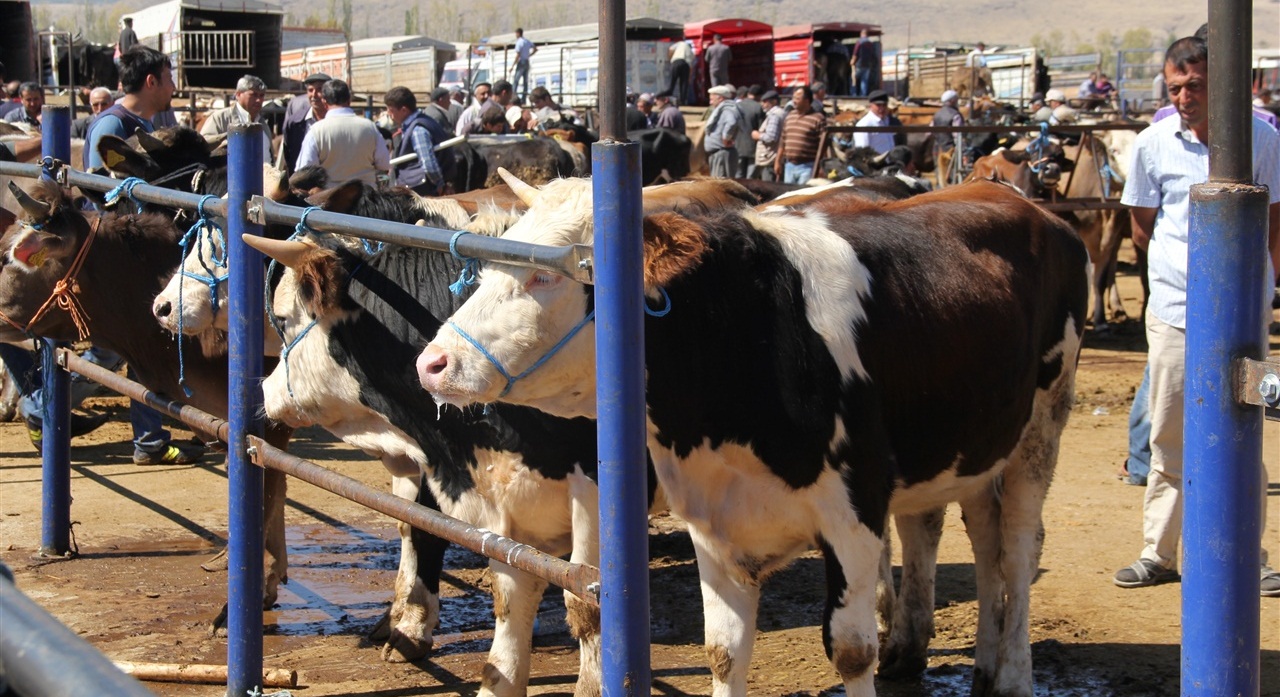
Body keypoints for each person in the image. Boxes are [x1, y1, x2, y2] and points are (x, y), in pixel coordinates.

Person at [1112, 35, 1280, 596]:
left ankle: (1247, 555)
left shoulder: (1262, 139)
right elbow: (1143, 226)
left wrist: (1260, 291)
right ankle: (1157, 552)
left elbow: (1275, 224)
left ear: (1222, 85)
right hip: (1176, 309)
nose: (1183, 95)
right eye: (1176, 86)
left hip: (1241, 315)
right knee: (1167, 431)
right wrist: (1170, 278)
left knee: (1243, 430)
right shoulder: (1153, 144)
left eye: (1196, 85)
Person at [85, 46, 174, 171]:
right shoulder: (112, 124)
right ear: (152, 82)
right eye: (170, 79)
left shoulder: (145, 122)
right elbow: (101, 186)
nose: (173, 87)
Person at [296, 79, 390, 185]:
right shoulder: (369, 127)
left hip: (330, 197)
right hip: (366, 196)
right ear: (349, 100)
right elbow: (384, 164)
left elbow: (304, 171)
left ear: (324, 102)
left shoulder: (316, 131)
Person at [384, 86, 451, 195]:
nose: (388, 113)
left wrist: (439, 185)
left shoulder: (418, 130)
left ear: (404, 110)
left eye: (391, 110)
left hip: (422, 190)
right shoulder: (422, 121)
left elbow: (428, 162)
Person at [199, 74, 272, 163]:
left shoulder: (262, 123)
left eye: (261, 96)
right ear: (238, 94)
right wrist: (226, 137)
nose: (259, 100)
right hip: (230, 175)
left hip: (265, 175)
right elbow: (201, 145)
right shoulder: (221, 118)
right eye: (254, 95)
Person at [280, 72, 330, 174]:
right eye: (310, 90)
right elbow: (289, 154)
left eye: (319, 90)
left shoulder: (336, 121)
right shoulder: (295, 122)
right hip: (303, 182)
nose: (314, 95)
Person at [774, 85, 825, 184]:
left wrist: (821, 167)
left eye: (797, 98)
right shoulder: (790, 116)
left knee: (803, 197)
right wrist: (777, 161)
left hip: (808, 166)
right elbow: (782, 141)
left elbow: (823, 145)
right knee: (789, 197)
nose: (794, 101)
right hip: (789, 166)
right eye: (793, 98)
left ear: (807, 100)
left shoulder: (818, 118)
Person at [702, 84, 740, 178]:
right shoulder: (722, 109)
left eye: (712, 99)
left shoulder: (728, 109)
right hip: (718, 153)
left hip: (722, 153)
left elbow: (732, 122)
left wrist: (726, 137)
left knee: (721, 184)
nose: (710, 102)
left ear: (720, 98)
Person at [734, 85, 765, 178]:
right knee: (751, 178)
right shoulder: (758, 107)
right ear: (759, 96)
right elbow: (762, 128)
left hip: (737, 146)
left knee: (738, 176)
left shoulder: (737, 106)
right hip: (753, 147)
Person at [752, 89, 783, 181]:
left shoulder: (774, 115)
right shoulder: (779, 113)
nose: (762, 104)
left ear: (774, 101)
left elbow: (771, 137)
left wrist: (757, 135)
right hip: (771, 157)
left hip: (769, 158)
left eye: (765, 102)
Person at [853, 89, 894, 155]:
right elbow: (862, 151)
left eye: (884, 105)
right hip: (876, 163)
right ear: (871, 105)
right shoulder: (864, 124)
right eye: (878, 105)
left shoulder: (888, 121)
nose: (882, 108)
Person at [931, 89, 964, 155]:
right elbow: (958, 135)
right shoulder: (955, 115)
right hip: (950, 151)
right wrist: (963, 152)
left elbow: (930, 132)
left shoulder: (937, 114)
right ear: (952, 101)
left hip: (937, 150)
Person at [512, 28, 537, 101]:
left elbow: (518, 54)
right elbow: (535, 48)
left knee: (516, 80)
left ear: (518, 33)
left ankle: (513, 96)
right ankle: (524, 98)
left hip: (521, 61)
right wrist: (529, 55)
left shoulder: (519, 42)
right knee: (525, 81)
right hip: (526, 61)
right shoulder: (527, 41)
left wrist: (513, 65)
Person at [666, 39, 693, 106]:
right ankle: (683, 101)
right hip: (685, 65)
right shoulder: (691, 53)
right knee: (683, 84)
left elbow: (671, 49)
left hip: (676, 62)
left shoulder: (681, 43)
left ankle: (668, 96)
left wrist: (670, 58)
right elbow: (690, 67)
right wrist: (689, 77)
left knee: (672, 82)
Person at [852, 29, 877, 97]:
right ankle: (863, 95)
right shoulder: (870, 43)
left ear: (861, 34)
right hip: (867, 65)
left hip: (859, 65)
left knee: (853, 79)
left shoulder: (859, 42)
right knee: (864, 81)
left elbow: (855, 52)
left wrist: (852, 61)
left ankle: (853, 94)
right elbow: (873, 55)